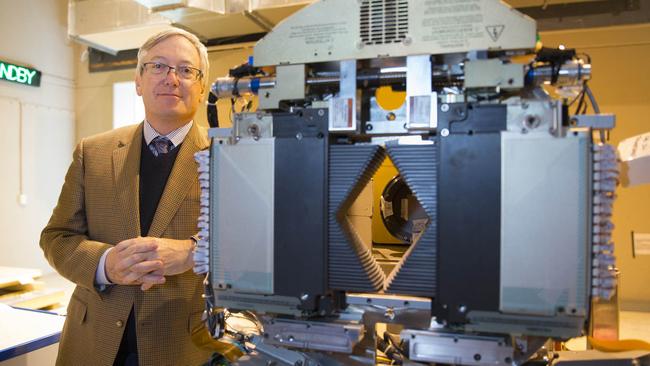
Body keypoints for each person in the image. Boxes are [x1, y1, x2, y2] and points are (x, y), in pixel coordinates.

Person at [40, 28, 212, 365]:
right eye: (158, 66)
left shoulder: (228, 156)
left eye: (186, 70)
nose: (171, 79)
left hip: (182, 346)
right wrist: (106, 265)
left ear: (202, 86)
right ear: (138, 81)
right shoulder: (93, 152)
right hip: (92, 344)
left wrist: (194, 253)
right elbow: (56, 238)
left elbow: (259, 247)